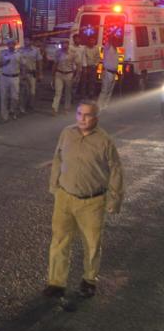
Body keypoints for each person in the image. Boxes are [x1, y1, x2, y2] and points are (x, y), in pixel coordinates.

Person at [44, 101, 124, 299]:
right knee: (60, 241)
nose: (82, 118)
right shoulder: (67, 133)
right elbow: (58, 158)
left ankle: (89, 280)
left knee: (92, 244)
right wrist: (54, 185)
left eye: (87, 115)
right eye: (79, 114)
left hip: (92, 202)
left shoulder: (105, 141)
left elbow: (116, 170)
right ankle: (56, 282)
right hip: (65, 197)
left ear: (96, 117)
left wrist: (116, 199)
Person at [51, 38, 79, 115]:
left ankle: (66, 108)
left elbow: (78, 65)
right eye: (63, 43)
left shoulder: (73, 53)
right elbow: (55, 64)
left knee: (68, 92)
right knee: (58, 92)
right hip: (59, 73)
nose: (64, 45)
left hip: (69, 74)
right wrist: (53, 76)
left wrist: (76, 76)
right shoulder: (58, 53)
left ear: (68, 44)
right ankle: (54, 108)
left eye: (66, 43)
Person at [0, 38, 22, 121]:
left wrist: (23, 76)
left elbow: (23, 65)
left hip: (15, 77)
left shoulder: (19, 54)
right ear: (7, 45)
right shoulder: (3, 53)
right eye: (9, 44)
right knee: (4, 97)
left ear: (15, 45)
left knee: (14, 97)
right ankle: (4, 116)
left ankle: (14, 111)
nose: (11, 46)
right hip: (4, 77)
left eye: (12, 44)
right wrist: (4, 63)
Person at [19, 39, 42, 114]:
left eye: (28, 40)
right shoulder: (20, 50)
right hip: (23, 73)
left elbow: (39, 62)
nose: (26, 42)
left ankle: (30, 105)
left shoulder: (36, 50)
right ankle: (22, 107)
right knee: (23, 91)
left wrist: (40, 74)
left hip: (32, 73)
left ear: (31, 41)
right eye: (25, 40)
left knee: (32, 91)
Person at [98, 40, 120, 110]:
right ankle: (99, 106)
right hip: (107, 72)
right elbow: (110, 37)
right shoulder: (108, 47)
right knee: (104, 90)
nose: (117, 43)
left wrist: (118, 73)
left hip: (113, 73)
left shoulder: (116, 50)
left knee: (110, 90)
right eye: (116, 41)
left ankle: (105, 105)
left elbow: (116, 62)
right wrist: (115, 29)